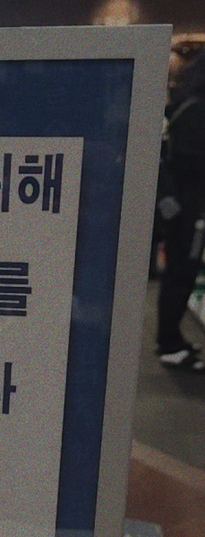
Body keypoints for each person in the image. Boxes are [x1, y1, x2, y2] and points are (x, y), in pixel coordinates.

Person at [156, 49, 205, 371]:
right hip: (190, 209)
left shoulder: (187, 107)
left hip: (183, 207)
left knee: (180, 271)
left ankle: (170, 338)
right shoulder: (197, 112)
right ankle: (169, 343)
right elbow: (191, 162)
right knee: (181, 272)